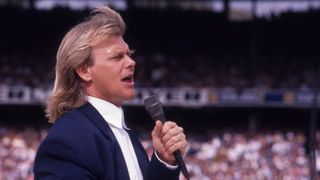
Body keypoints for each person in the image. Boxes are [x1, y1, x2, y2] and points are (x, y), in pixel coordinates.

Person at [33, 5, 187, 180]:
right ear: (84, 70)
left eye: (129, 54)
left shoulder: (124, 133)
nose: (131, 62)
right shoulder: (67, 140)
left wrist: (164, 161)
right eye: (117, 57)